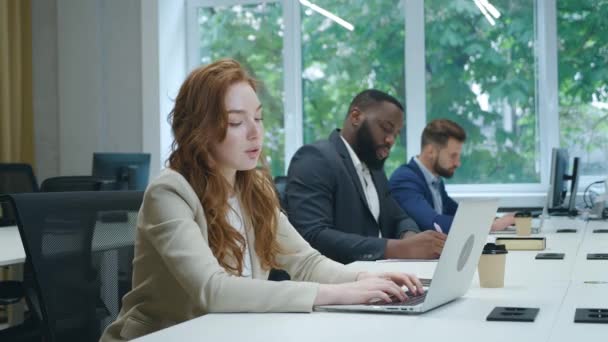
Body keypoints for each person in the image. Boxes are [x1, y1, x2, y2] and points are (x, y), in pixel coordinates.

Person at [100, 60, 424, 341]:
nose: (256, 133)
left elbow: (305, 262)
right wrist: (336, 294)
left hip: (231, 333)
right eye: (237, 122)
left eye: (258, 118)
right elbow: (213, 290)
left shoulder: (253, 187)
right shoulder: (170, 192)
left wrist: (364, 279)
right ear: (199, 128)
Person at [284, 89, 446, 265]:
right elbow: (313, 235)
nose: (391, 140)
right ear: (355, 117)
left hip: (380, 277)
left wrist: (411, 239)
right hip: (336, 282)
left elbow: (399, 217)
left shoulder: (374, 168)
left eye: (396, 134)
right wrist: (398, 248)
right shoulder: (315, 158)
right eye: (386, 128)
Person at [389, 119, 514, 233]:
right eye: (453, 156)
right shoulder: (404, 180)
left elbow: (459, 213)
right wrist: (489, 225)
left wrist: (497, 219)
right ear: (430, 151)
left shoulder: (435, 179)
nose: (458, 163)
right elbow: (433, 223)